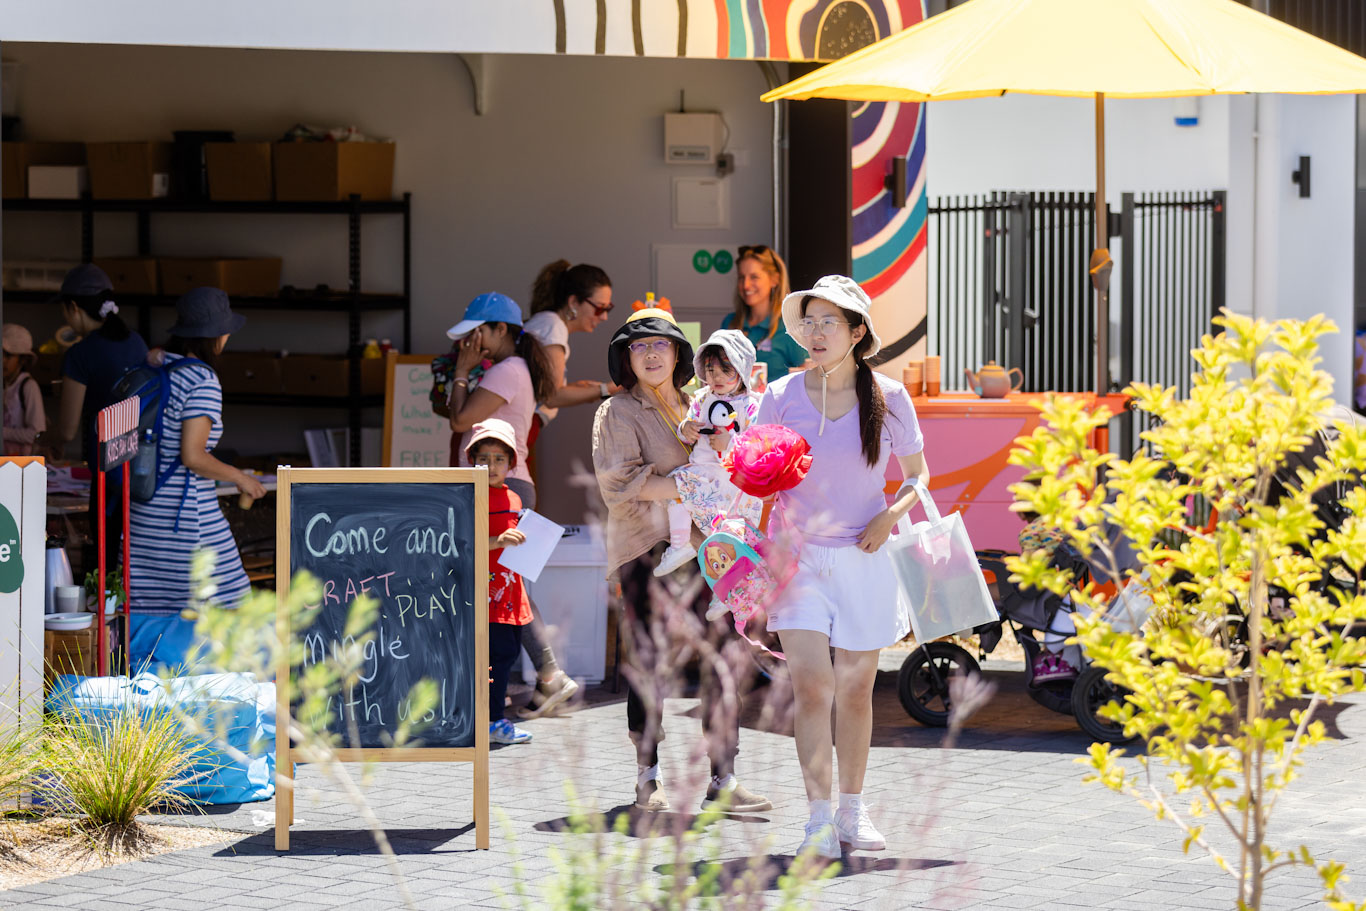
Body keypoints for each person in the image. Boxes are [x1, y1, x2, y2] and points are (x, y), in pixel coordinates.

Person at [754, 275, 930, 860]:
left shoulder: (890, 397)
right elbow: (755, 474)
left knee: (856, 690)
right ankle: (818, 819)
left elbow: (917, 476)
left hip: (866, 554)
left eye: (830, 321)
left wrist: (889, 517)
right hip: (796, 556)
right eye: (810, 321)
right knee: (812, 685)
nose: (816, 332)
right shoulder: (778, 394)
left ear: (858, 332)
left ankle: (853, 810)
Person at [592, 306, 770, 814]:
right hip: (647, 552)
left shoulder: (702, 402)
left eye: (661, 345)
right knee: (651, 665)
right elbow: (619, 485)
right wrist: (692, 489)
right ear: (627, 357)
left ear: (678, 354)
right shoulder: (616, 412)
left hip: (710, 553)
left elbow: (736, 459)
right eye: (639, 346)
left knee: (723, 659)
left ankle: (724, 781)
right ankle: (647, 780)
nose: (651, 354)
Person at [445, 292, 581, 717]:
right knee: (509, 589)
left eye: (476, 333)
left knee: (506, 590)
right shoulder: (513, 367)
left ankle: (543, 676)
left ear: (500, 330)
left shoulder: (506, 369)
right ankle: (540, 678)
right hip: (508, 485)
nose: (471, 342)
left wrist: (462, 373)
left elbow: (460, 420)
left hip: (506, 488)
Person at [126, 288, 266, 667]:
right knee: (233, 603)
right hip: (186, 519)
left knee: (150, 612)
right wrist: (241, 478)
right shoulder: (202, 380)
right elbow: (193, 455)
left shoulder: (157, 365)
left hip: (145, 506)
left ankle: (152, 689)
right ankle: (221, 692)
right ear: (215, 336)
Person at [47, 264, 149, 565]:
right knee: (132, 565)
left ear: (74, 308)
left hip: (108, 475)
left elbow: (66, 430)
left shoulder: (80, 354)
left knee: (105, 567)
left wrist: (43, 437)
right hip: (143, 471)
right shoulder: (137, 343)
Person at [655, 328, 763, 576]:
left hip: (733, 481)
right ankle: (680, 544)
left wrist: (731, 442)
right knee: (677, 488)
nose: (717, 377)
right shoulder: (703, 398)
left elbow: (757, 444)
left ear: (742, 370)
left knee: (729, 532)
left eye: (727, 370)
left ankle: (728, 586)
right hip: (702, 471)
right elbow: (687, 428)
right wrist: (686, 428)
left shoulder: (751, 404)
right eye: (711, 370)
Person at [467, 418, 536, 746]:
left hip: (510, 593)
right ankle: (491, 721)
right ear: (472, 461)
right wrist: (498, 540)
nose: (491, 466)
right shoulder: (469, 496)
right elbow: (458, 543)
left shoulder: (514, 498)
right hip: (483, 596)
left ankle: (493, 720)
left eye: (499, 459)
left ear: (511, 464)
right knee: (492, 660)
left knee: (506, 657)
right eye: (483, 458)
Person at [525, 259, 618, 425]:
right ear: (574, 302)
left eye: (608, 308)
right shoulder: (553, 327)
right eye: (599, 308)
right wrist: (607, 389)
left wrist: (578, 388)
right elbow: (552, 397)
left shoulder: (547, 323)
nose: (604, 317)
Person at [721, 245, 808, 387]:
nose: (746, 285)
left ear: (775, 280)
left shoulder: (790, 327)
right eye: (741, 277)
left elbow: (808, 376)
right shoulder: (729, 324)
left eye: (754, 277)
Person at [2, 324, 45, 457]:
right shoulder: (4, 385)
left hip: (22, 465)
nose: (2, 361)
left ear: (22, 360)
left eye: (8, 356)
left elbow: (37, 434)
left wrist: (4, 432)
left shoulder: (28, 387)